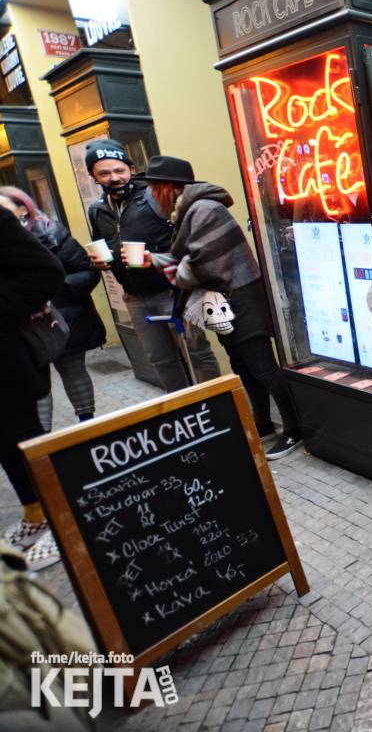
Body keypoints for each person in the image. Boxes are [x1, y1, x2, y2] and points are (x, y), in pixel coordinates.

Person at [141, 156, 304, 461]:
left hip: (239, 298)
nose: (150, 194)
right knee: (242, 366)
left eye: (152, 187)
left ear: (168, 188)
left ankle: (295, 430)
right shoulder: (189, 211)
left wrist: (172, 267)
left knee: (262, 367)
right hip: (226, 300)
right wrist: (159, 260)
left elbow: (205, 264)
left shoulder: (205, 210)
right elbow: (191, 259)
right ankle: (263, 423)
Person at [83, 140, 220, 391]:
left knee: (197, 352)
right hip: (135, 298)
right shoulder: (97, 210)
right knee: (161, 359)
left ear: (131, 169)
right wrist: (100, 261)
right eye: (104, 173)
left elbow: (188, 238)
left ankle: (219, 408)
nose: (114, 178)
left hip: (174, 290)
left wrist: (153, 256)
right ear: (93, 175)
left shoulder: (154, 196)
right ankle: (185, 411)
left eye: (119, 170)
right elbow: (100, 243)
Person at [0, 188, 106, 429]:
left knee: (73, 372)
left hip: (65, 318)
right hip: (22, 328)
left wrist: (52, 291)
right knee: (35, 382)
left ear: (24, 208)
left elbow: (87, 271)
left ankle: (88, 427)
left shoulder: (51, 232)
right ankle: (43, 440)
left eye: (6, 209)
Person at [0, 206, 65, 571]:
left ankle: (61, 522)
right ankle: (37, 513)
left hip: (5, 365)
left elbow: (45, 271)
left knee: (22, 437)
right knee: (6, 446)